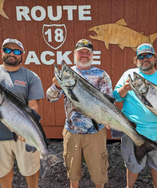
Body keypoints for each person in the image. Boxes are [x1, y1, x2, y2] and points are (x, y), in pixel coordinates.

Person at [113, 43, 157, 188]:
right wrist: (125, 88)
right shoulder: (129, 75)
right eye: (141, 56)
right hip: (134, 131)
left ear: (155, 58)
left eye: (148, 55)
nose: (145, 59)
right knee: (133, 165)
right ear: (136, 60)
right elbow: (115, 97)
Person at [0, 38, 44, 188]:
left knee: (31, 171)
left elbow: (33, 106)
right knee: (3, 173)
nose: (11, 54)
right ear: (2, 52)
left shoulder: (31, 77)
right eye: (7, 50)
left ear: (22, 55)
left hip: (23, 136)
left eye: (16, 51)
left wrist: (27, 131)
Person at [46, 39, 112, 188]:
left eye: (87, 52)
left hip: (96, 131)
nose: (84, 55)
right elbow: (50, 97)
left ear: (92, 55)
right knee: (73, 173)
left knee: (99, 173)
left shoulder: (101, 75)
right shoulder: (66, 74)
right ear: (74, 54)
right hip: (71, 131)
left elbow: (108, 102)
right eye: (81, 52)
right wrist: (57, 86)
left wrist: (109, 120)